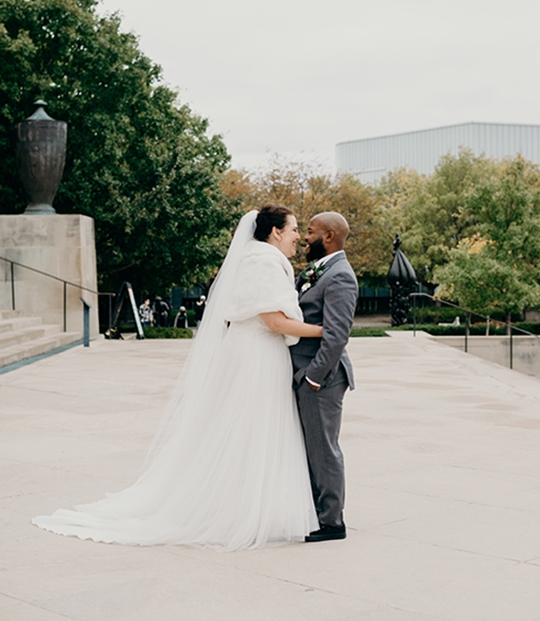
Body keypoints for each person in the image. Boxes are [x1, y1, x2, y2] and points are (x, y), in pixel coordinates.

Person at [32, 207, 320, 550]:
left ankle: (250, 506)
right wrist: (324, 330)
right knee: (250, 430)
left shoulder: (255, 258)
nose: (298, 236)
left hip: (253, 352)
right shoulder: (264, 262)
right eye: (294, 229)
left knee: (249, 430)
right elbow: (274, 320)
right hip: (257, 356)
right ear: (274, 231)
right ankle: (238, 511)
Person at [290, 212, 359, 542]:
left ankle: (332, 522)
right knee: (312, 448)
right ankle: (316, 512)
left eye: (311, 231)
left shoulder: (341, 277)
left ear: (329, 236)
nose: (305, 236)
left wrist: (313, 378)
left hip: (323, 378)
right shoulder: (319, 271)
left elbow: (336, 335)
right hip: (309, 375)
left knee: (323, 449)